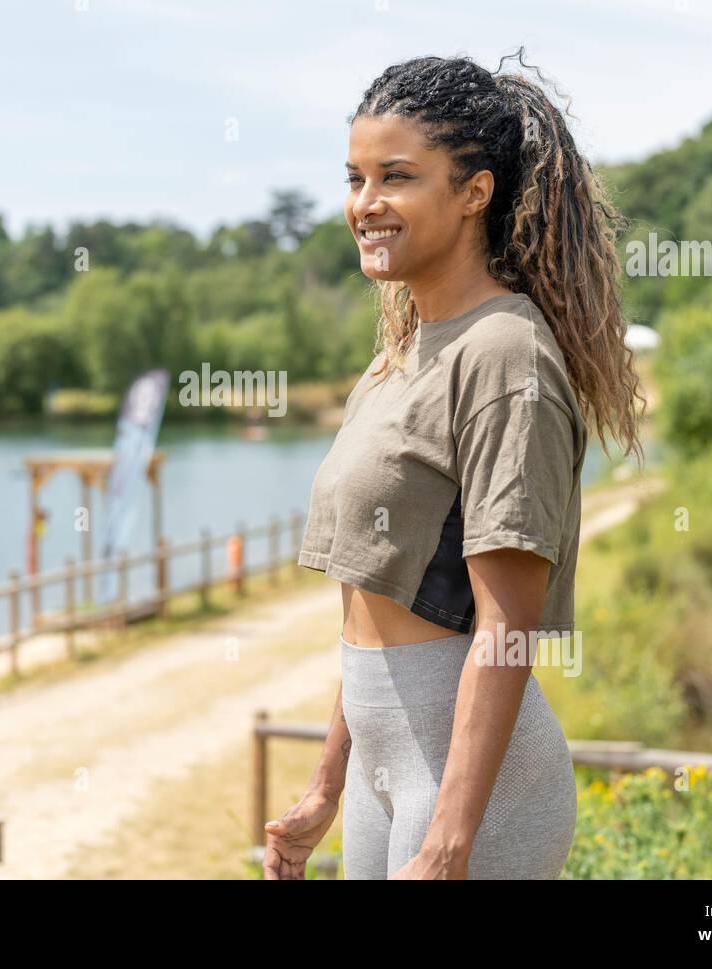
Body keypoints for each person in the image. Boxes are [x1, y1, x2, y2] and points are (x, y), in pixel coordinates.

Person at [263, 51, 645, 880]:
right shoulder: (395, 357)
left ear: (475, 192)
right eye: (356, 177)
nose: (366, 204)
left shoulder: (505, 352)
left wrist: (447, 841)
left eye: (396, 177)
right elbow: (373, 600)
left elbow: (507, 624)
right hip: (381, 768)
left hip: (476, 791)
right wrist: (326, 786)